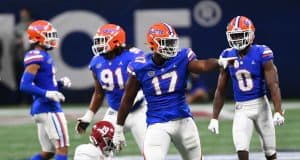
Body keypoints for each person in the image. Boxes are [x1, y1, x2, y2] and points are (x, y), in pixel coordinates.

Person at [113, 22, 236, 160]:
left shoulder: (182, 57)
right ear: (153, 44)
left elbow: (201, 65)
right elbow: (128, 99)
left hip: (183, 122)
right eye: (166, 43)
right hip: (157, 124)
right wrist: (118, 127)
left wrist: (219, 62)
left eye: (172, 42)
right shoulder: (140, 66)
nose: (171, 46)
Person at [207, 16, 285, 160]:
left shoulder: (262, 53)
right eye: (234, 36)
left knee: (270, 152)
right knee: (241, 149)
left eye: (240, 35)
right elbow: (220, 90)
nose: (237, 39)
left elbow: (273, 85)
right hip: (241, 109)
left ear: (251, 35)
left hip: (261, 106)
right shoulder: (227, 55)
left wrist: (278, 111)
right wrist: (214, 118)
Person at [75, 24, 147, 153]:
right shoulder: (96, 62)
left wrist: (142, 93)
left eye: (103, 40)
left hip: (139, 111)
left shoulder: (133, 56)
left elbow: (147, 80)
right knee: (97, 150)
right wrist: (88, 116)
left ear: (116, 41)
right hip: (114, 112)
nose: (99, 44)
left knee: (150, 153)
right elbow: (98, 93)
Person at [19, 20, 71, 160]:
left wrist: (59, 84)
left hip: (42, 108)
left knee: (49, 152)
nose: (52, 38)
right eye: (48, 35)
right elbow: (24, 85)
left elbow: (45, 84)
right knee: (62, 148)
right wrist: (47, 93)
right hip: (48, 108)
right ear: (37, 38)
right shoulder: (36, 55)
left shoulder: (43, 55)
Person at [13, 8, 34, 104]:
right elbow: (14, 41)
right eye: (22, 14)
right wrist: (19, 41)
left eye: (25, 14)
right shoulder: (18, 27)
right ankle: (21, 100)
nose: (23, 16)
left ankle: (32, 99)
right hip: (21, 57)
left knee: (32, 79)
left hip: (32, 57)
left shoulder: (33, 25)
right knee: (21, 80)